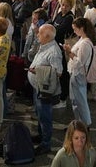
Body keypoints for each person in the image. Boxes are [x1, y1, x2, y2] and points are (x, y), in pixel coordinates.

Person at [28, 23, 63, 155]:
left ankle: (46, 143)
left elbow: (58, 72)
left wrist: (38, 71)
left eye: (40, 33)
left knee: (45, 117)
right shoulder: (45, 45)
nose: (37, 35)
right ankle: (41, 135)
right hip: (37, 87)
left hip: (45, 91)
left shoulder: (53, 52)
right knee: (39, 113)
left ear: (47, 36)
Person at [63, 18, 95, 128]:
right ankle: (79, 124)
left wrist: (68, 52)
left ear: (82, 28)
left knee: (80, 101)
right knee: (75, 100)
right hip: (75, 73)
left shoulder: (85, 43)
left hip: (78, 74)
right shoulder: (82, 39)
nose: (74, 31)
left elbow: (79, 62)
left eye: (75, 29)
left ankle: (85, 124)